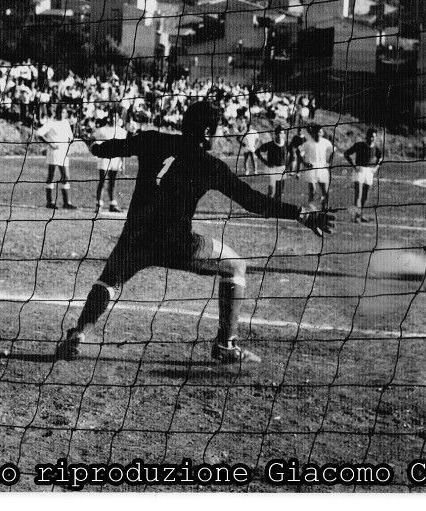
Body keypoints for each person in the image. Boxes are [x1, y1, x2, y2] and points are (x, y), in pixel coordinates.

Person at [54, 101, 335, 365]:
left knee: (108, 282)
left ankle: (77, 335)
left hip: (135, 237)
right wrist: (302, 214)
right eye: (217, 129)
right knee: (236, 266)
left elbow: (102, 149)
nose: (219, 133)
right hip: (178, 244)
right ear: (206, 132)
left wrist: (88, 139)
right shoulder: (210, 165)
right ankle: (226, 344)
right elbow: (253, 201)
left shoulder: (152, 139)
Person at [35, 106, 77, 210]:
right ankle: (50, 202)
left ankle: (66, 202)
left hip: (63, 153)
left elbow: (70, 137)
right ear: (57, 112)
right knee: (51, 175)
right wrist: (50, 144)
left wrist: (69, 147)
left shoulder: (66, 123)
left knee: (65, 176)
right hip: (54, 151)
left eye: (64, 112)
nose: (62, 114)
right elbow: (39, 133)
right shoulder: (51, 123)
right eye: (61, 111)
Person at [345, 128, 383, 223]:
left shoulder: (376, 148)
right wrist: (354, 166)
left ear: (375, 138)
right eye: (370, 136)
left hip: (369, 172)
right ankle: (356, 217)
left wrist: (375, 168)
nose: (371, 139)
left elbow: (380, 158)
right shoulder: (359, 145)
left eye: (373, 137)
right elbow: (346, 153)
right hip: (359, 171)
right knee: (358, 194)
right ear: (366, 137)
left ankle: (360, 214)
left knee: (365, 196)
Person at [92, 113, 126, 214]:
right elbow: (92, 139)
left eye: (115, 117)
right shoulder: (101, 130)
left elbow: (123, 148)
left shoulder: (121, 131)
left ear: (118, 118)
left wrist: (123, 163)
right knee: (102, 181)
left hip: (116, 159)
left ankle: (112, 204)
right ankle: (99, 205)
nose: (113, 119)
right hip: (104, 158)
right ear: (108, 118)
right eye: (111, 116)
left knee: (113, 182)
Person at [299, 125, 335, 209]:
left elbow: (332, 151)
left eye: (320, 132)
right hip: (311, 168)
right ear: (313, 133)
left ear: (322, 133)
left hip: (322, 168)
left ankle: (324, 209)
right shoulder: (308, 143)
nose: (318, 133)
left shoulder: (326, 142)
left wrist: (328, 162)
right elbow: (299, 151)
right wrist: (304, 162)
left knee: (325, 192)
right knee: (313, 191)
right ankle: (311, 209)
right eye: (317, 132)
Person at [256, 126, 288, 201]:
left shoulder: (286, 144)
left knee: (279, 192)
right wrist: (265, 162)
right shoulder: (270, 145)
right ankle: (266, 207)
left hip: (282, 169)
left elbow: (291, 155)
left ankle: (276, 210)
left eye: (282, 133)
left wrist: (288, 165)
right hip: (272, 169)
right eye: (279, 133)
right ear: (276, 134)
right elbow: (257, 151)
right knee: (271, 192)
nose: (281, 135)